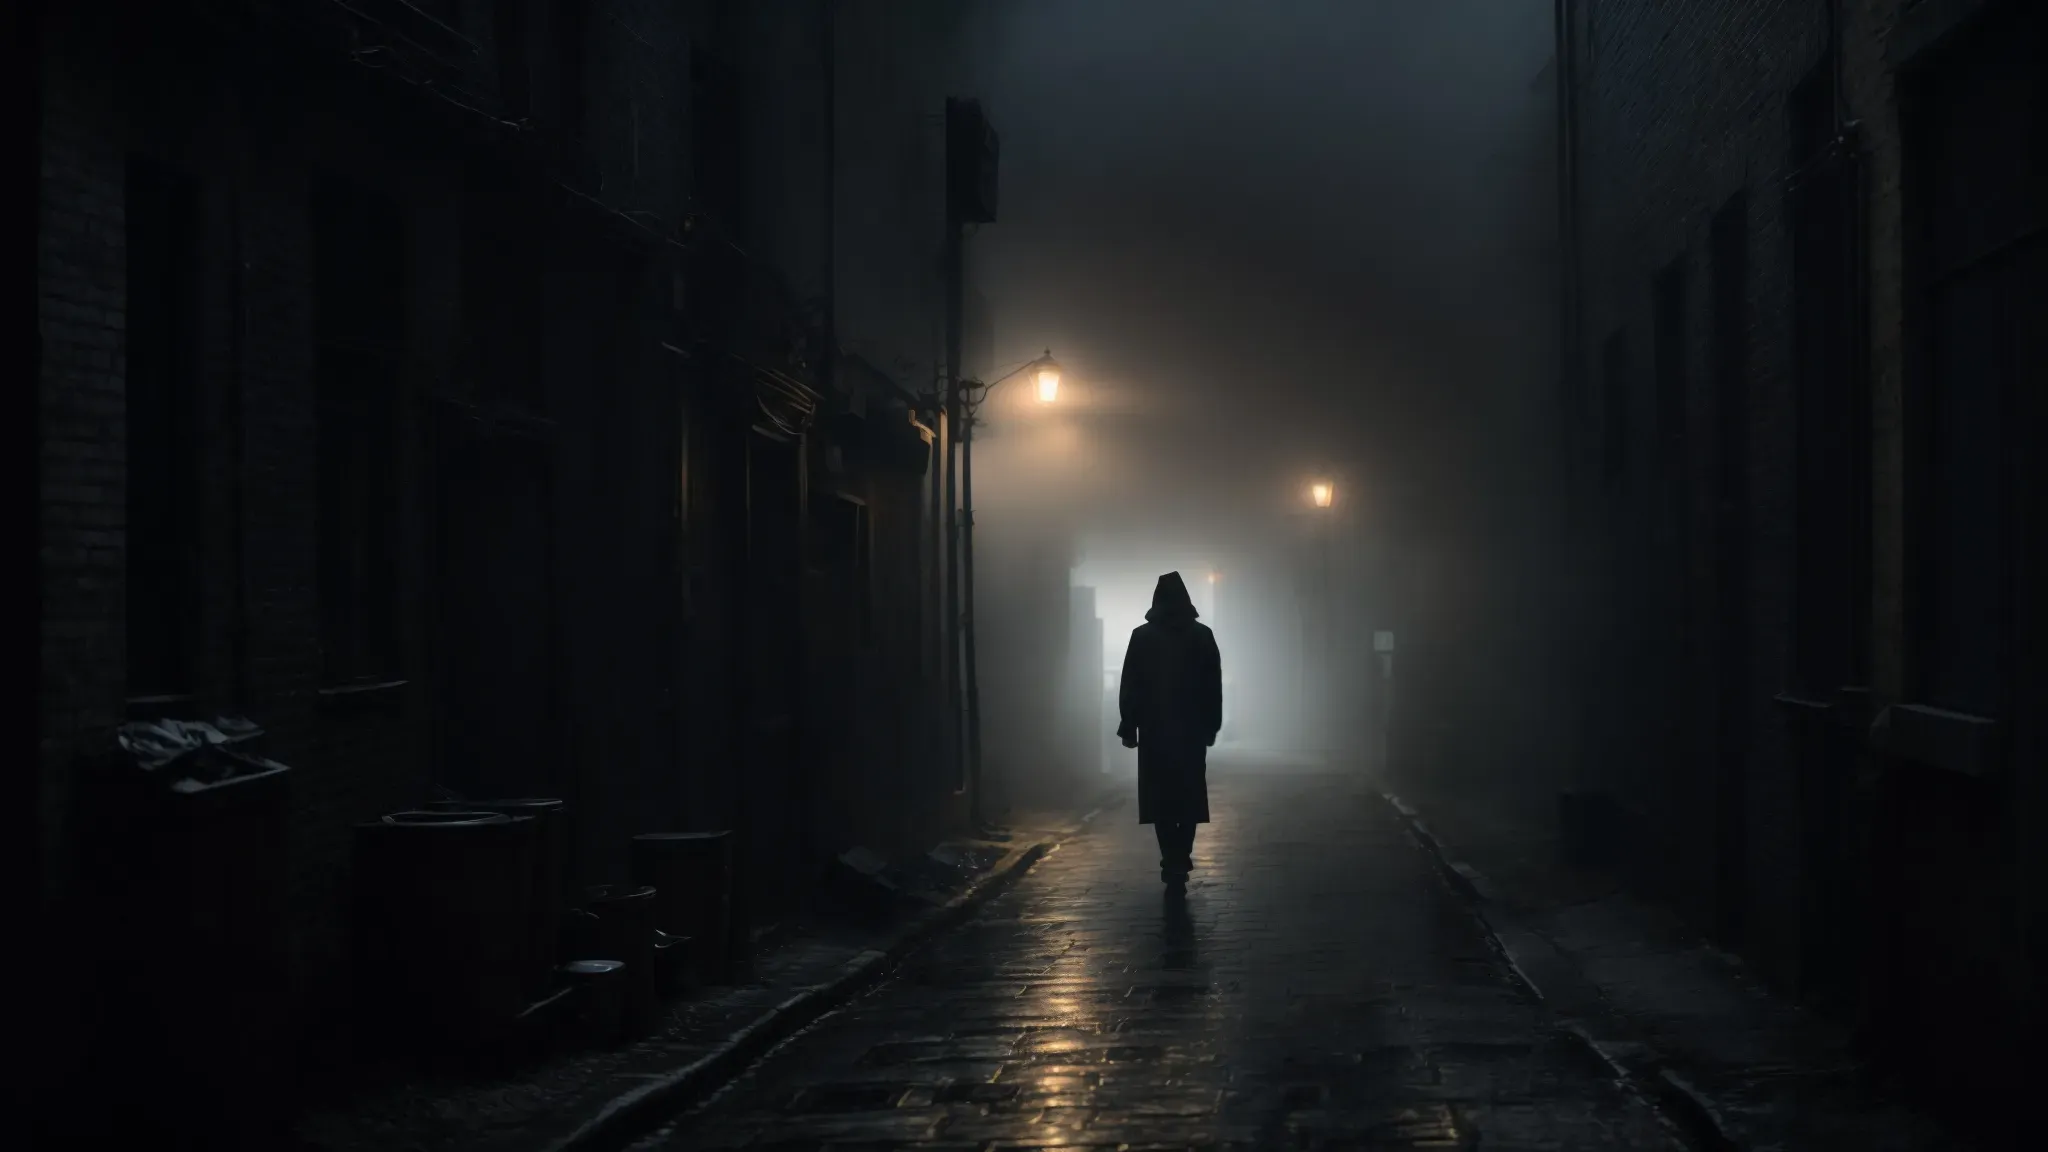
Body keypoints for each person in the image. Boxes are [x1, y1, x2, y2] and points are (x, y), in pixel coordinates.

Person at [1116, 571, 1223, 888]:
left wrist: (1128, 724)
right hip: (1190, 731)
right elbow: (1211, 685)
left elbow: (1131, 685)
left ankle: (1170, 856)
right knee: (1189, 795)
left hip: (1154, 730)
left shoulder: (1142, 636)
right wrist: (1211, 724)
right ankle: (1181, 853)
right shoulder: (1202, 635)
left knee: (1160, 797)